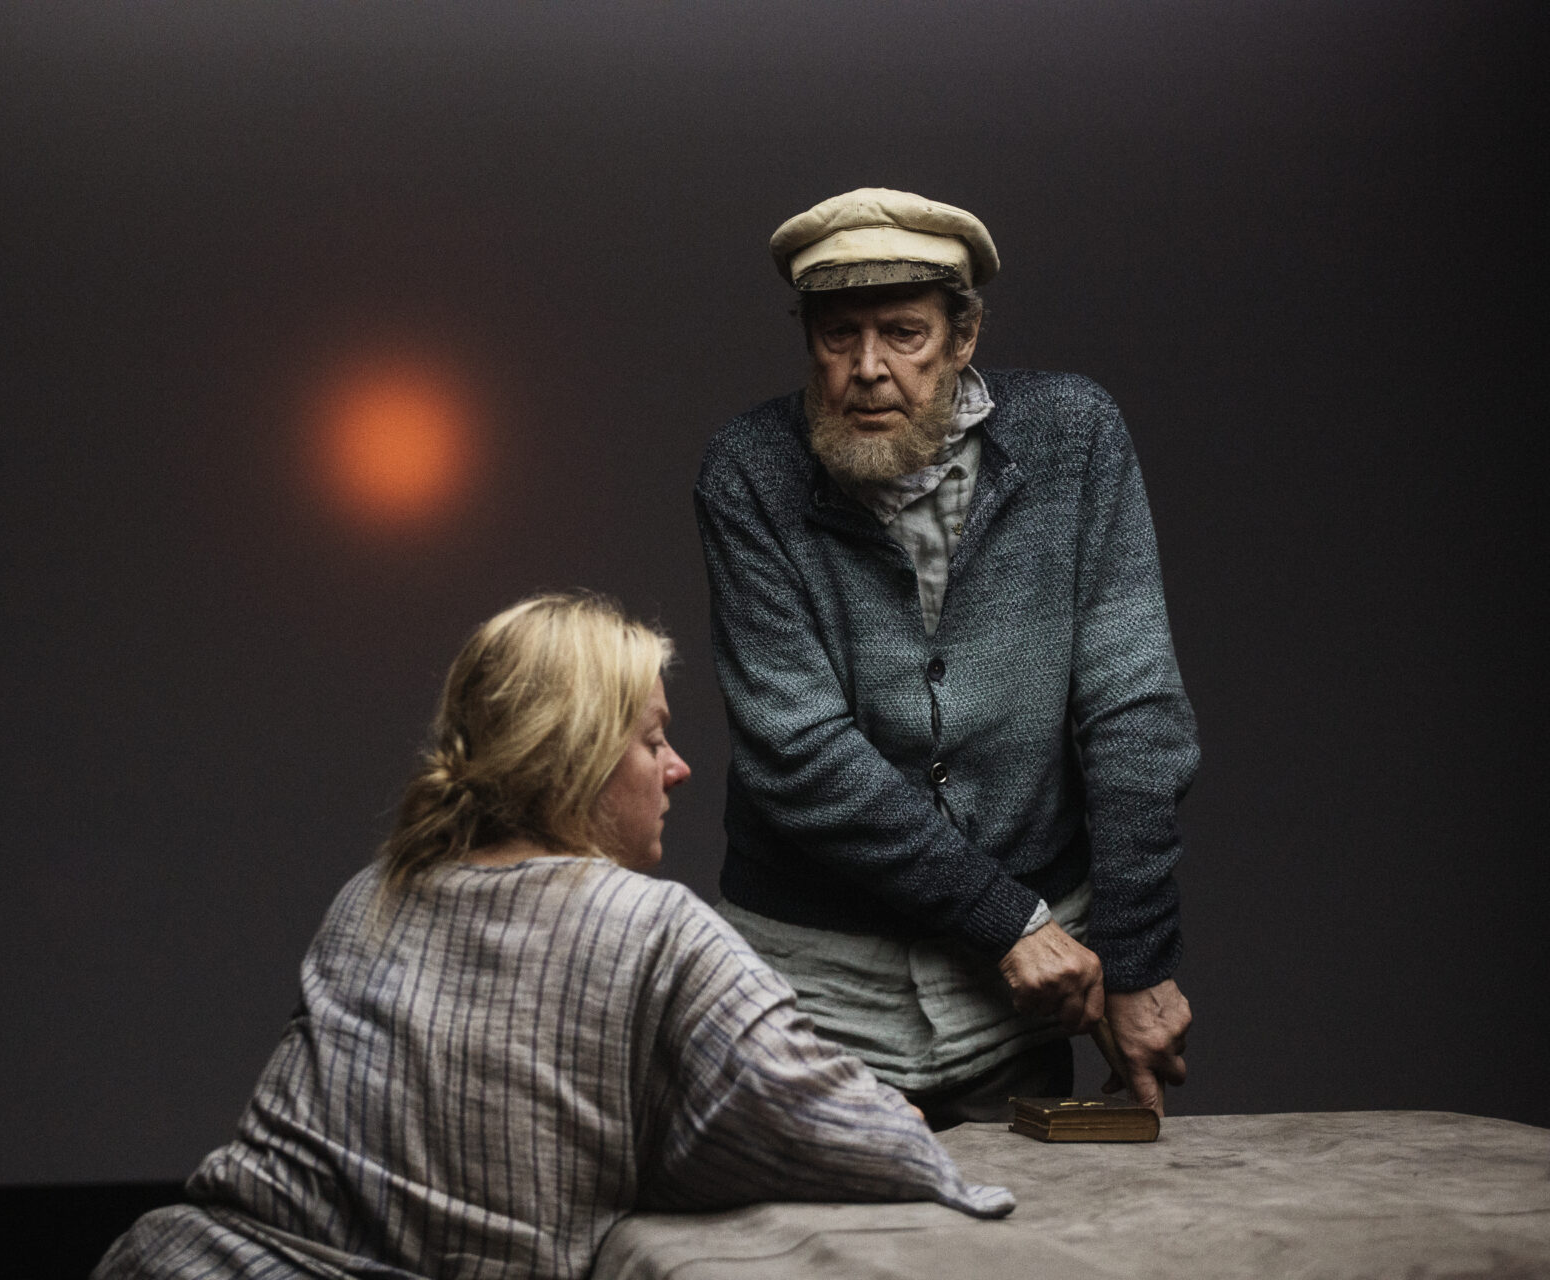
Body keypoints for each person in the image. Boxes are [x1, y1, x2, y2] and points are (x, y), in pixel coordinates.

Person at [94, 592, 1012, 1280]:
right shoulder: (655, 928)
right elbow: (852, 1136)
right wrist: (902, 1120)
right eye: (653, 740)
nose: (679, 768)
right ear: (576, 753)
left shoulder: (372, 891)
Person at [695, 188, 1197, 1129]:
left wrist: (1136, 957)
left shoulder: (1074, 436)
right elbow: (796, 753)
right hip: (813, 987)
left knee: (1019, 1216)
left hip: (1021, 992)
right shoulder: (749, 470)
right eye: (838, 335)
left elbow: (1134, 712)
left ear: (964, 337)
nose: (868, 368)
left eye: (904, 334)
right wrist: (1007, 920)